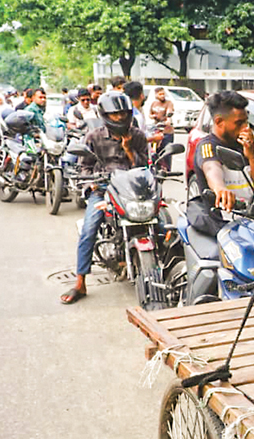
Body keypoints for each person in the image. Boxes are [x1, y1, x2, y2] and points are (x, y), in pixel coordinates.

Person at [60, 92, 150, 305]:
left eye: (123, 114)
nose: (120, 118)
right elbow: (84, 167)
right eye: (115, 114)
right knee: (89, 229)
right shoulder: (94, 137)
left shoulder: (138, 136)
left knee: (161, 222)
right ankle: (80, 283)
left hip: (133, 189)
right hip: (103, 189)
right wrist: (90, 183)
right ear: (105, 115)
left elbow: (144, 166)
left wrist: (128, 149)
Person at [188, 91, 254, 236]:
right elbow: (211, 168)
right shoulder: (207, 146)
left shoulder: (243, 145)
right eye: (239, 123)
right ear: (219, 122)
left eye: (246, 122)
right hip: (224, 227)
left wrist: (252, 156)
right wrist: (220, 189)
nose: (245, 128)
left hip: (251, 223)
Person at [149, 87, 175, 171]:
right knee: (155, 152)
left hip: (167, 131)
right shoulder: (154, 104)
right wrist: (152, 116)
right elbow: (150, 114)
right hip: (156, 130)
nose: (162, 96)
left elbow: (169, 112)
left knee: (166, 152)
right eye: (160, 94)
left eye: (163, 94)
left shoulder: (169, 103)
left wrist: (168, 120)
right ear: (156, 95)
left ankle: (167, 170)